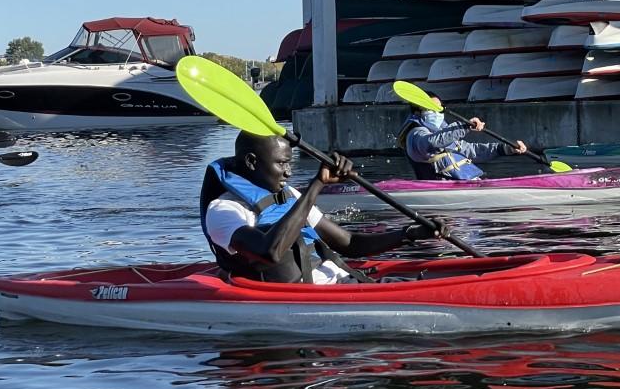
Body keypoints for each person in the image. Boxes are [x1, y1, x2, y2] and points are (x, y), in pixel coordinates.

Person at [201, 132, 450, 284]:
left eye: (290, 163)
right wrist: (317, 185)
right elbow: (270, 253)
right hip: (309, 295)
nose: (289, 171)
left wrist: (408, 234)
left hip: (344, 280)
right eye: (281, 163)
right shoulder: (224, 210)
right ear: (251, 162)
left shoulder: (289, 195)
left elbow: (349, 243)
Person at [397, 100, 527, 181]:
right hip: (439, 190)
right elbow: (431, 143)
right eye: (431, 109)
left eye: (439, 109)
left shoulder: (442, 134)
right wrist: (465, 126)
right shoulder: (415, 135)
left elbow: (472, 150)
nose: (437, 113)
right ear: (418, 113)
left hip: (462, 186)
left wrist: (506, 148)